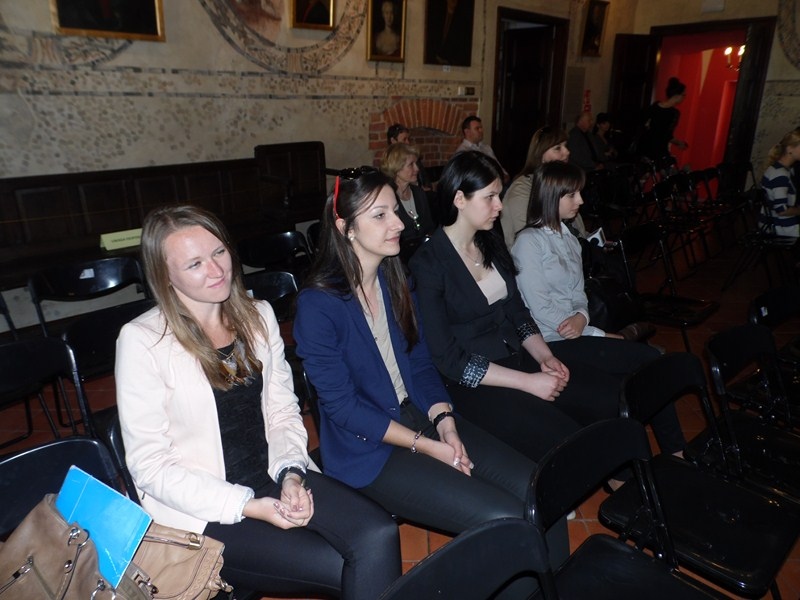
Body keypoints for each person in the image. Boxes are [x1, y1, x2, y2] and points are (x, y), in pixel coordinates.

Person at [292, 168, 569, 583]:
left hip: (421, 417)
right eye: (380, 215)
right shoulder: (318, 305)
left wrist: (446, 424)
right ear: (345, 228)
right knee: (507, 518)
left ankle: (559, 585)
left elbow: (421, 364)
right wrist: (428, 446)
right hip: (369, 450)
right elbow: (344, 409)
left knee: (539, 488)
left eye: (396, 211)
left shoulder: (395, 280)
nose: (399, 224)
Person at [115, 205, 400, 598]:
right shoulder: (143, 341)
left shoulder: (258, 316)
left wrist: (291, 474)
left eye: (219, 252)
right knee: (343, 563)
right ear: (164, 276)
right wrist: (248, 505)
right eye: (195, 264)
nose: (216, 270)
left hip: (272, 472)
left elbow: (282, 411)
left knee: (379, 534)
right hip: (204, 506)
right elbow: (150, 467)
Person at [409, 150, 630, 461]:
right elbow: (448, 358)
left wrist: (545, 356)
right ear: (459, 199)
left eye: (499, 196)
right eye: (490, 197)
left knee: (607, 399)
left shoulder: (490, 242)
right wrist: (529, 382)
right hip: (474, 382)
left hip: (517, 356)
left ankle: (622, 482)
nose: (499, 206)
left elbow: (517, 312)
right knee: (563, 434)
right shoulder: (429, 263)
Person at [511, 161, 686, 467]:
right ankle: (672, 454)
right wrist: (587, 329)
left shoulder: (568, 238)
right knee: (647, 361)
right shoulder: (528, 242)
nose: (580, 200)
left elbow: (580, 293)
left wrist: (582, 316)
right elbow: (539, 307)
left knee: (646, 369)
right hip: (550, 342)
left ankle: (672, 454)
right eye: (572, 195)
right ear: (551, 196)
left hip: (577, 333)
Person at [499, 125, 571, 249]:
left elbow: (575, 228)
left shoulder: (561, 183)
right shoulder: (522, 188)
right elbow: (527, 237)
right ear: (540, 154)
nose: (567, 152)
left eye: (566, 146)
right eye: (557, 148)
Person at [380, 143, 437, 260]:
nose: (417, 169)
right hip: (399, 258)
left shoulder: (419, 193)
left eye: (416, 163)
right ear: (396, 169)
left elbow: (430, 227)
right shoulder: (387, 197)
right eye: (411, 165)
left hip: (423, 255)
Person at [637, 77, 689, 164]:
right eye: (683, 95)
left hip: (644, 146)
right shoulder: (673, 113)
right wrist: (679, 143)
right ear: (676, 96)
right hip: (658, 150)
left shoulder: (655, 106)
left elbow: (644, 123)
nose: (684, 98)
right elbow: (667, 135)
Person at [760, 128, 800, 238]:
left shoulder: (780, 168)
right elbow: (782, 210)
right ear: (790, 149)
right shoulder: (780, 174)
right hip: (782, 226)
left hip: (778, 222)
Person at [455, 116, 510, 183]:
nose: (481, 131)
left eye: (481, 128)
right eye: (477, 128)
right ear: (467, 132)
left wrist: (505, 175)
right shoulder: (463, 151)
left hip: (501, 182)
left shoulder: (486, 147)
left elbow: (497, 165)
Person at [387, 123, 431, 191]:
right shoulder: (388, 164)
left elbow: (425, 180)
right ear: (393, 141)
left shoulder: (413, 158)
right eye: (404, 139)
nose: (407, 142)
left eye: (408, 139)